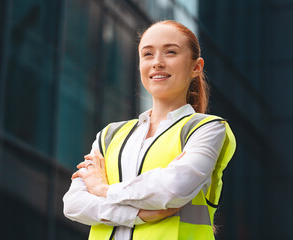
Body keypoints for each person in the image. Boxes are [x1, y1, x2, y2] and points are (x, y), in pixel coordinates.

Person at [63, 20, 236, 240]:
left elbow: (173, 189)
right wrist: (139, 214)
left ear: (196, 67)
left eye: (171, 52)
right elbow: (73, 204)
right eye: (147, 54)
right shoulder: (110, 135)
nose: (157, 63)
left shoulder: (207, 129)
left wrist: (103, 190)